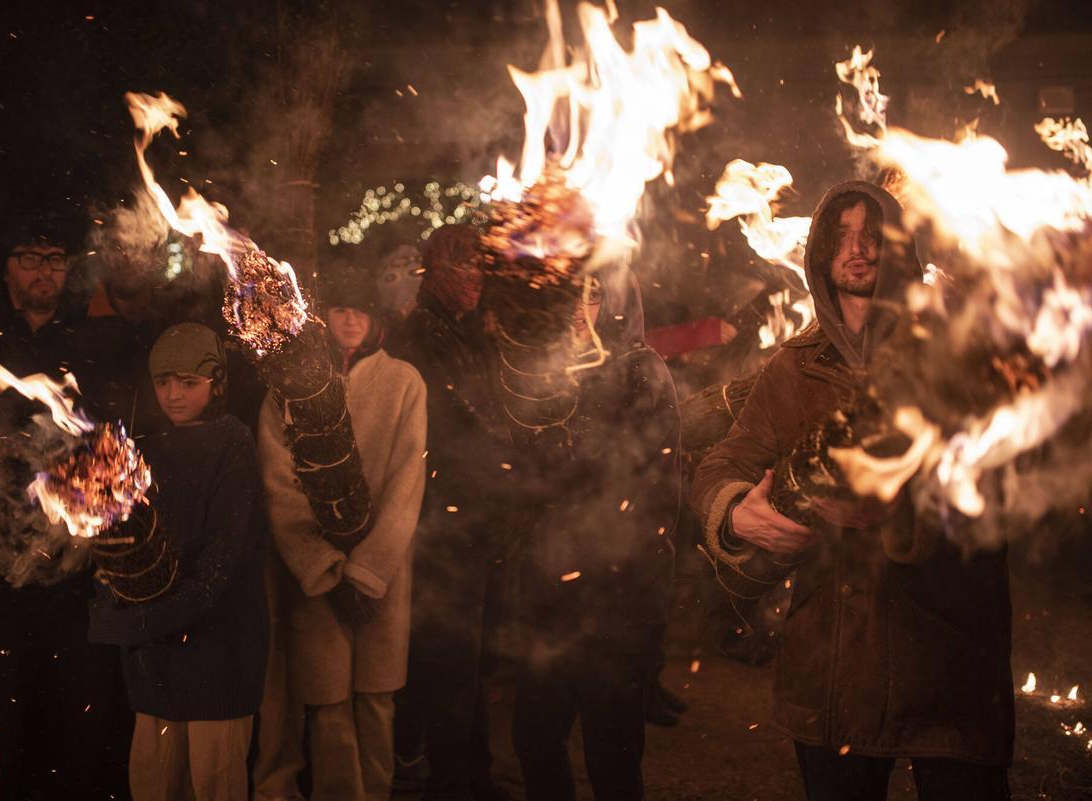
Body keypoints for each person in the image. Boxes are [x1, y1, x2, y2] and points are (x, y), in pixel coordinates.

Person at [690, 182, 1013, 801]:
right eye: (841, 237)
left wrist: (898, 511)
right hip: (833, 673)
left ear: (899, 249)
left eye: (872, 235)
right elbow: (727, 458)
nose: (857, 250)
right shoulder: (795, 365)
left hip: (947, 667)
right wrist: (736, 513)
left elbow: (1007, 485)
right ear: (819, 255)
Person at [0, 223, 134, 800]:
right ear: (7, 266)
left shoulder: (91, 343)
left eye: (55, 258)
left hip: (71, 575)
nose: (44, 270)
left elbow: (112, 443)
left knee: (75, 724)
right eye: (29, 258)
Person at [254, 267, 425, 801]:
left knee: (375, 699)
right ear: (322, 317)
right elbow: (279, 482)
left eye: (360, 309)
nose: (349, 319)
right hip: (318, 577)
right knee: (325, 702)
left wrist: (368, 571)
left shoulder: (403, 383)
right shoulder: (294, 386)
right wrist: (322, 567)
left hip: (383, 573)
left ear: (376, 318)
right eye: (339, 309)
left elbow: (407, 481)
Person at [511, 269, 681, 801]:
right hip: (547, 587)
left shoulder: (639, 368)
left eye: (593, 291)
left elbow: (640, 483)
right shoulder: (546, 369)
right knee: (535, 736)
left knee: (612, 749)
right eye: (573, 293)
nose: (580, 306)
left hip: (618, 592)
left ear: (614, 299)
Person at [88, 322, 269, 801]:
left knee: (213, 780)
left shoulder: (232, 444)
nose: (173, 394)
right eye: (164, 382)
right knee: (154, 777)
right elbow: (122, 546)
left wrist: (147, 620)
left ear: (216, 384)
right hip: (156, 658)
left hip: (218, 650)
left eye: (188, 382)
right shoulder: (144, 447)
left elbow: (223, 558)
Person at [390, 223, 517, 801]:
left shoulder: (477, 331)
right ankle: (455, 780)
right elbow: (455, 421)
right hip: (441, 522)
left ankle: (473, 772)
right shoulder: (419, 337)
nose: (473, 278)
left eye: (479, 267)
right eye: (461, 267)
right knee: (448, 664)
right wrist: (510, 452)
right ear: (436, 270)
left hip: (479, 518)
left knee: (474, 663)